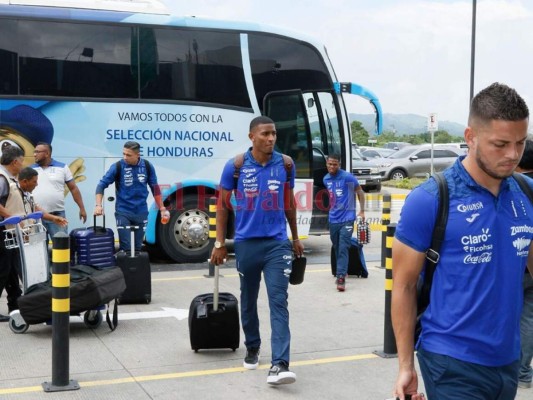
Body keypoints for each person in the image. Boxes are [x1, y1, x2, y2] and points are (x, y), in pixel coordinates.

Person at [391, 82, 533, 400]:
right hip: (451, 359)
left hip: (508, 357)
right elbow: (403, 286)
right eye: (500, 144)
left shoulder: (526, 193)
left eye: (520, 143)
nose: (512, 155)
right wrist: (405, 366)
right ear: (470, 137)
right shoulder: (430, 200)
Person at [210, 116, 304, 385]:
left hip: (277, 244)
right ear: (252, 136)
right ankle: (252, 345)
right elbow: (223, 206)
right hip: (247, 244)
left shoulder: (285, 164)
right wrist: (219, 243)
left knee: (278, 301)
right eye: (265, 134)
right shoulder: (236, 166)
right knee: (248, 299)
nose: (271, 139)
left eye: (274, 133)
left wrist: (295, 237)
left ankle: (280, 364)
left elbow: (289, 203)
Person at [94, 141, 167, 252]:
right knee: (126, 248)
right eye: (123, 154)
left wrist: (162, 208)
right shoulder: (117, 166)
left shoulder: (147, 166)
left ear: (138, 155)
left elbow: (155, 188)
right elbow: (101, 185)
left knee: (137, 248)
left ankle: (136, 268)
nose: (125, 157)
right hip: (123, 212)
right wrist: (98, 205)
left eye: (128, 155)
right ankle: (125, 266)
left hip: (141, 212)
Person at [323, 154, 365, 291]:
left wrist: (362, 211)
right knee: (336, 246)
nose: (332, 167)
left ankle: (340, 277)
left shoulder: (347, 177)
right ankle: (343, 269)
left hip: (347, 218)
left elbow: (360, 192)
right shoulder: (326, 179)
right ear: (326, 164)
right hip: (333, 218)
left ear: (339, 165)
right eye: (330, 164)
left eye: (335, 164)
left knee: (343, 247)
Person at [31, 142, 87, 239]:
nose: (34, 154)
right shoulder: (30, 169)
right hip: (36, 217)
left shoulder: (62, 167)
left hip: (57, 215)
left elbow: (73, 188)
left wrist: (82, 208)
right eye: (34, 152)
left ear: (47, 153)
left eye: (37, 152)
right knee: (39, 250)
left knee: (61, 247)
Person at [0, 145, 25, 322]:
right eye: (21, 162)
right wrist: (11, 217)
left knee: (11, 269)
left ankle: (15, 306)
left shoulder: (10, 178)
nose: (22, 166)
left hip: (9, 231)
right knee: (2, 269)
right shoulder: (2, 178)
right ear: (15, 161)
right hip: (3, 229)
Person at [515, 138, 533, 390]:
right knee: (528, 317)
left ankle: (516, 369)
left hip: (518, 262)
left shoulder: (517, 187)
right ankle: (523, 373)